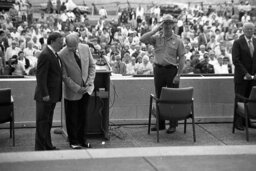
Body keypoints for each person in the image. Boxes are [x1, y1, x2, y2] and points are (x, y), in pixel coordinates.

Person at [140, 14, 186, 134]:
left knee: (172, 98)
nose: (167, 25)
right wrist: (155, 29)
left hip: (172, 71)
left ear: (173, 25)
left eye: (169, 23)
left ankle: (173, 124)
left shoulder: (178, 40)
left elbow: (182, 58)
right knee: (159, 97)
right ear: (162, 24)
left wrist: (179, 75)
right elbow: (142, 39)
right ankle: (160, 124)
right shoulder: (156, 38)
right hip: (159, 70)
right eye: (164, 23)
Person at [59, 33, 96, 149]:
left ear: (78, 42)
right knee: (72, 117)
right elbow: (64, 76)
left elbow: (92, 66)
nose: (73, 50)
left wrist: (89, 82)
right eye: (70, 47)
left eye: (74, 47)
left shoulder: (85, 48)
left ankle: (83, 139)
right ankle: (73, 141)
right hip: (72, 91)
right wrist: (77, 88)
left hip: (86, 88)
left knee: (83, 116)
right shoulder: (61, 54)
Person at [34, 32, 63, 151]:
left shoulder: (54, 54)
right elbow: (41, 77)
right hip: (45, 96)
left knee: (47, 123)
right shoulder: (45, 54)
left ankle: (48, 145)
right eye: (60, 42)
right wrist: (45, 94)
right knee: (42, 123)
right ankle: (40, 148)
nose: (62, 44)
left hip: (52, 96)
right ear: (52, 42)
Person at [232, 22, 256, 131]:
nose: (250, 31)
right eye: (248, 29)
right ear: (243, 30)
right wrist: (246, 73)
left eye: (252, 29)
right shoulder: (238, 43)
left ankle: (249, 121)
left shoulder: (255, 41)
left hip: (253, 78)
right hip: (242, 77)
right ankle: (238, 122)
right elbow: (236, 60)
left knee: (251, 100)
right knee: (240, 99)